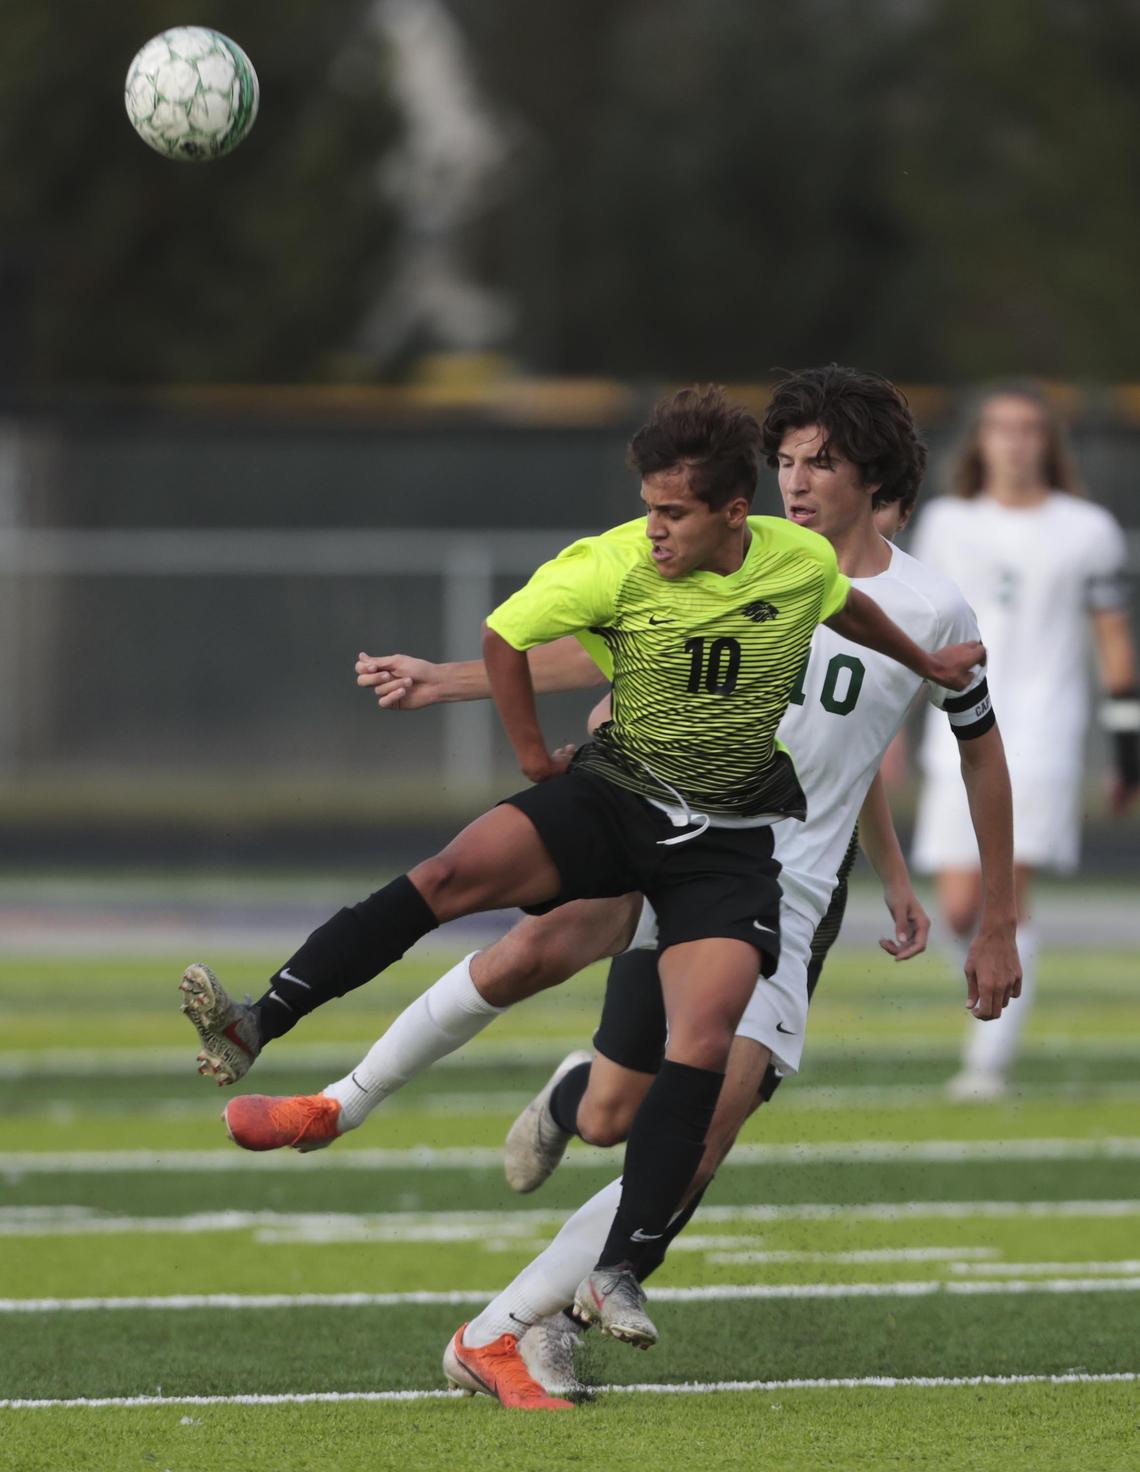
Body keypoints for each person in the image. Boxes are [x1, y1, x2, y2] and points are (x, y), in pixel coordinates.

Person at [202, 367, 1021, 1411]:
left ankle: (509, 1311)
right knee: (527, 946)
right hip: (660, 828)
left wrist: (982, 915)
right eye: (786, 459)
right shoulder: (733, 553)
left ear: (880, 476)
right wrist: (448, 677)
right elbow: (597, 652)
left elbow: (921, 747)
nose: (797, 480)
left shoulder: (925, 602)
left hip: (778, 884)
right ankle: (342, 1105)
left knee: (664, 1129)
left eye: (823, 462)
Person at [909, 383, 1139, 1099]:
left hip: (1040, 731)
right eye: (1001, 429)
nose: (1014, 442)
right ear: (979, 441)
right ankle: (989, 999)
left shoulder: (1087, 530)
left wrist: (1128, 750)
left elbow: (1113, 642)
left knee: (1003, 896)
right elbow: (913, 628)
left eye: (1028, 430)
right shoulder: (945, 522)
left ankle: (986, 1060)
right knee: (954, 906)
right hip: (954, 727)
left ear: (1048, 443)